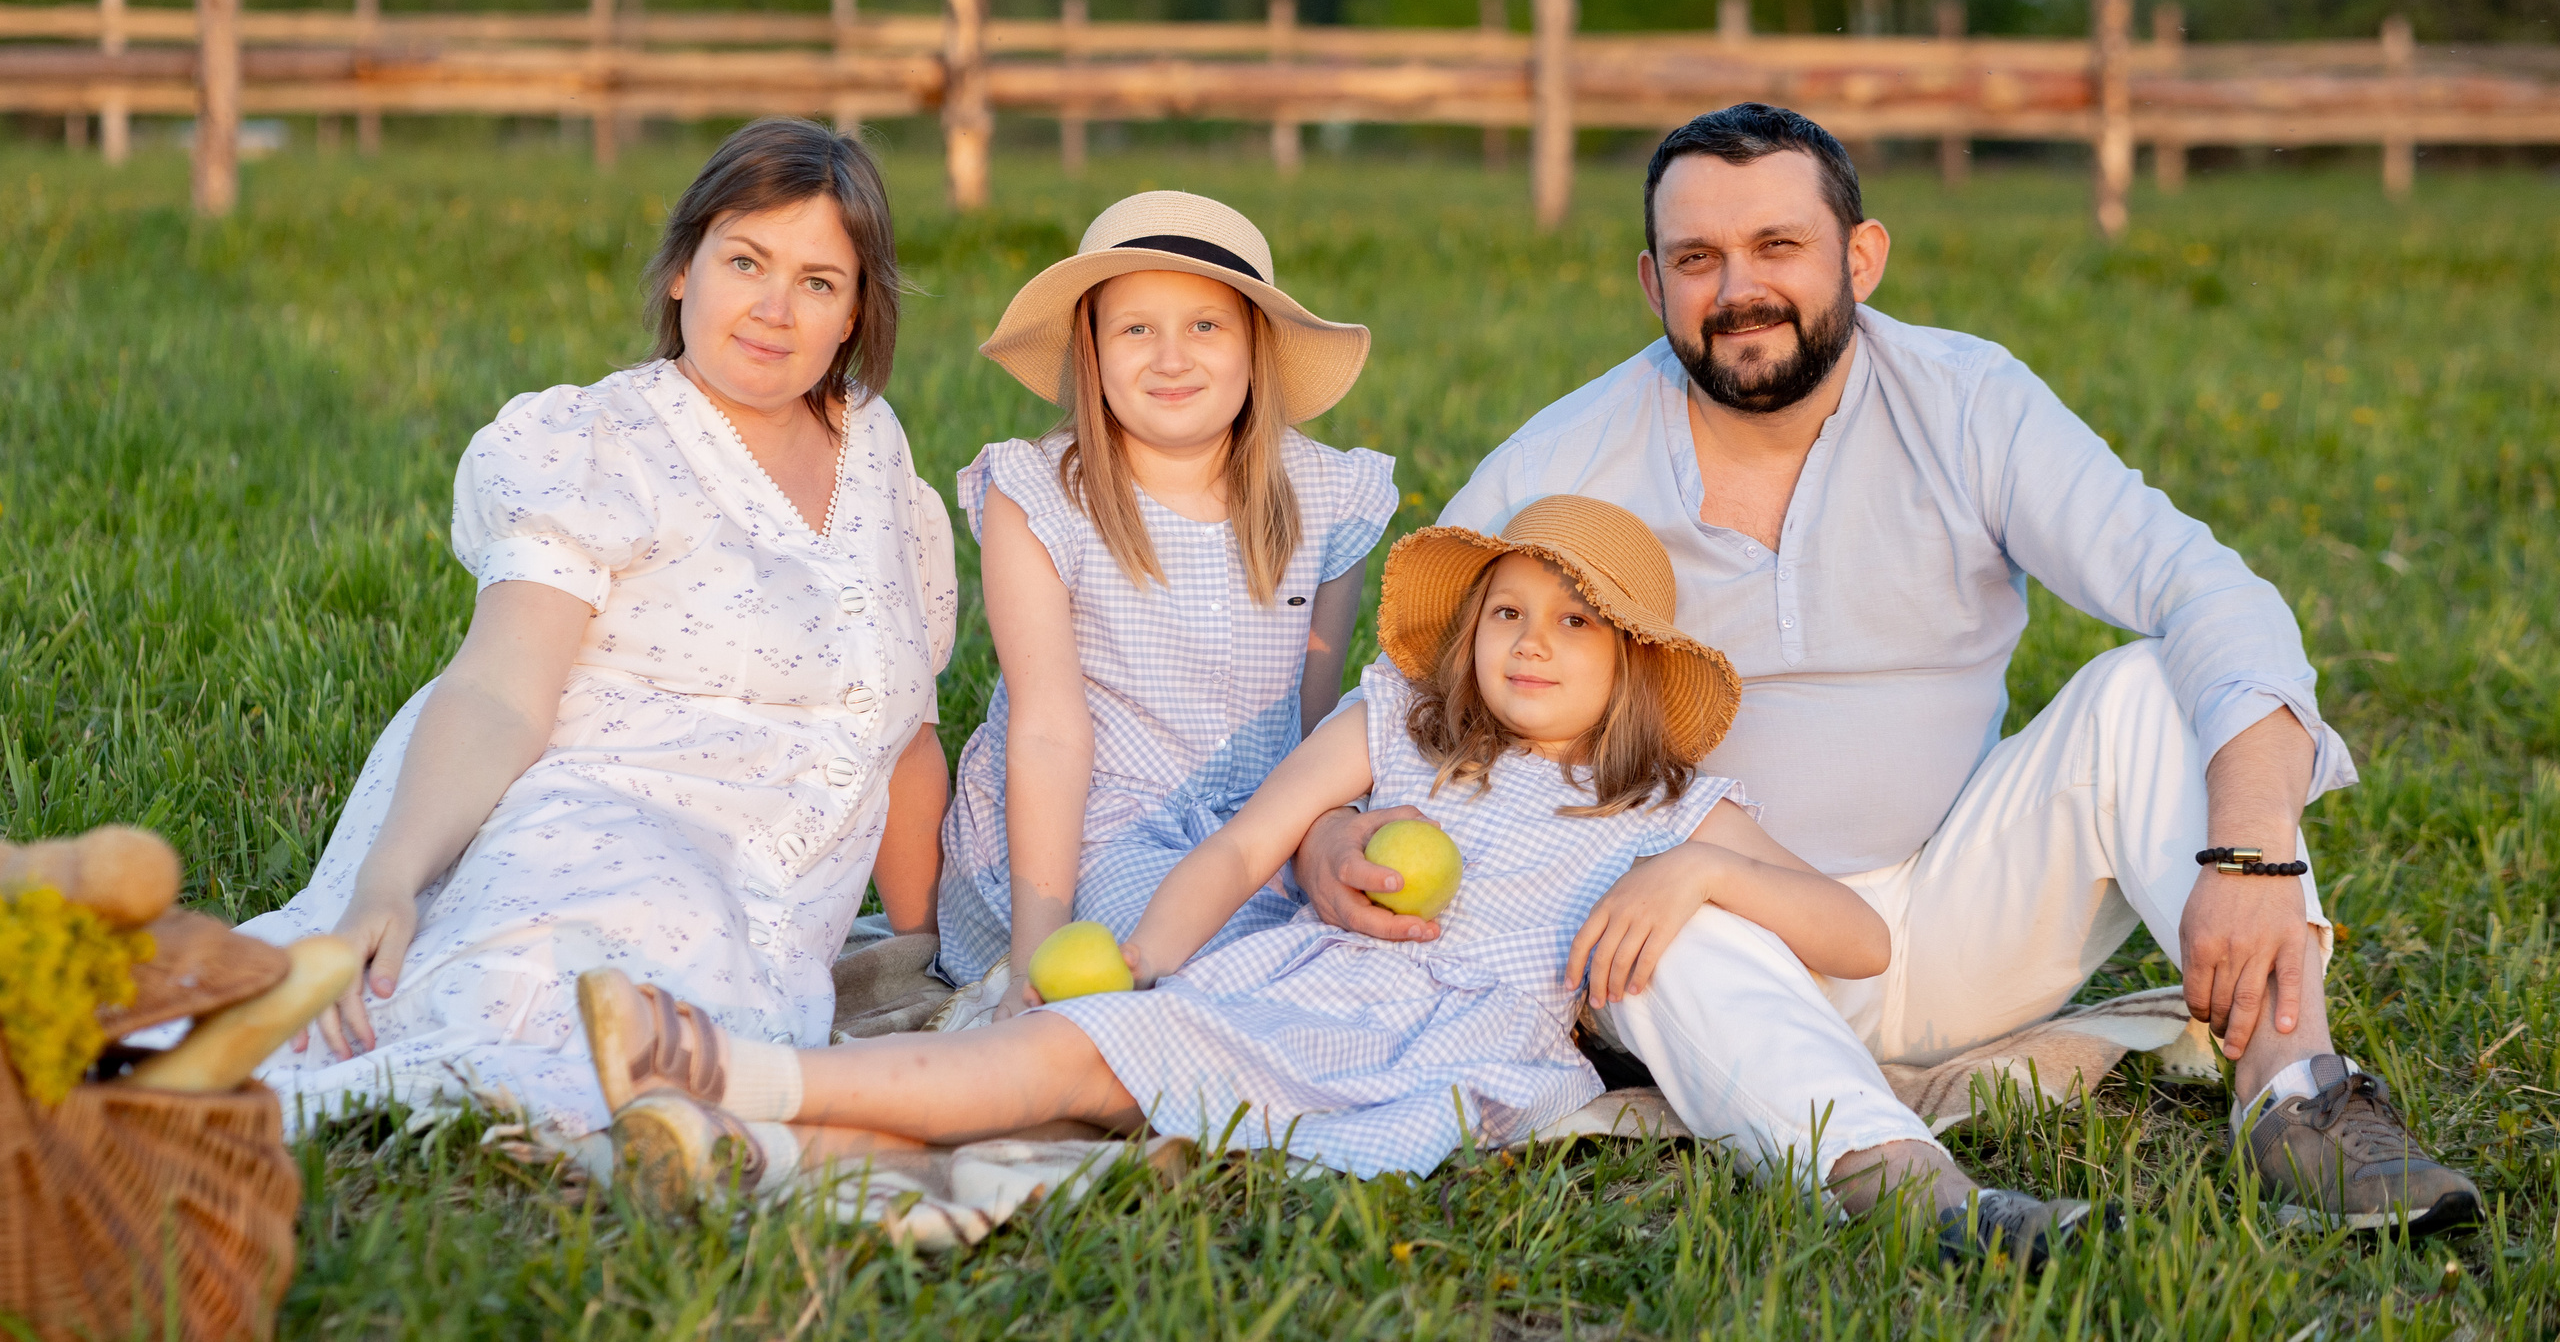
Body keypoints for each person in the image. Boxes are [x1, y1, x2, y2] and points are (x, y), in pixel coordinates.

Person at [1293, 102, 2481, 1248]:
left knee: (2144, 686)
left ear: (1860, 255)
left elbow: (2202, 587)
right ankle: (1906, 1189)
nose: (1737, 289)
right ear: (1652, 284)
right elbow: (1411, 703)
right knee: (1650, 887)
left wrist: (2256, 848)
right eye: (1695, 257)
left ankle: (2302, 1107)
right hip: (1717, 938)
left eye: (1777, 246)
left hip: (1966, 910)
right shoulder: (1568, 458)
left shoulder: (1967, 402)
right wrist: (1324, 842)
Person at [573, 496, 1889, 1210]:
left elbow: (1857, 933)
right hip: (1299, 991)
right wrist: (1143, 957)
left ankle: (740, 1100)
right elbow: (1255, 838)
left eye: (1574, 623)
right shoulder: (1404, 731)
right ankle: (743, 1096)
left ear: (1635, 661)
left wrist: (1700, 873)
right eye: (1506, 611)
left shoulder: (1665, 803)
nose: (1531, 642)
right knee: (1070, 1062)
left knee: (1079, 1097)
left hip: (1466, 1046)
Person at [240, 119, 957, 1136]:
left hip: (773, 899)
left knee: (693, 1027)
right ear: (681, 270)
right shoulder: (602, 443)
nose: (771, 308)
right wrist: (389, 882)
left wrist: (926, 948)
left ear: (854, 314)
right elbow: (497, 687)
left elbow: (904, 733)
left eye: (817, 281)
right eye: (744, 260)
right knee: (590, 996)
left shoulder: (875, 449)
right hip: (605, 822)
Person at [932, 191, 1396, 1018]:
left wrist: (1315, 838)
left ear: (1255, 346)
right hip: (1088, 823)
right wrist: (1036, 955)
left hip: (1259, 821)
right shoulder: (1042, 493)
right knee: (1191, 980)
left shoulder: (1325, 492)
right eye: (1136, 327)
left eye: (1206, 326)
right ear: (1093, 350)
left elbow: (1312, 719)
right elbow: (1046, 730)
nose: (1171, 357)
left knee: (1366, 952)